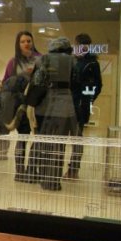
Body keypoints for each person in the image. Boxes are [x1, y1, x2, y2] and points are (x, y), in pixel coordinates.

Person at [25, 37, 79, 191]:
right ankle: (54, 181)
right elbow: (76, 83)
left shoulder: (43, 60)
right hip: (66, 107)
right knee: (59, 145)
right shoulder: (72, 61)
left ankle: (43, 177)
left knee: (44, 142)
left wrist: (31, 103)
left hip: (45, 107)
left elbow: (37, 83)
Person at [2, 30, 41, 180]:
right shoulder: (13, 62)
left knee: (38, 138)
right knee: (22, 137)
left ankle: (31, 169)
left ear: (33, 42)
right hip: (20, 105)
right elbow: (6, 82)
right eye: (23, 41)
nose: (26, 44)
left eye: (28, 41)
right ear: (18, 44)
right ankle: (19, 172)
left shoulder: (40, 59)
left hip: (37, 104)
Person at [66, 33, 103, 179]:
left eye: (85, 45)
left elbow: (98, 85)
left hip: (81, 105)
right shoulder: (71, 61)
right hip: (67, 103)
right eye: (80, 45)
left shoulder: (92, 63)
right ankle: (62, 169)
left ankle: (73, 170)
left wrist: (88, 100)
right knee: (63, 137)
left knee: (77, 137)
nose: (82, 47)